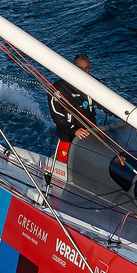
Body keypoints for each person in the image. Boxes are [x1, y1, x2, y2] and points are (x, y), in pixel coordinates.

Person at [47, 54, 99, 184]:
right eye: (81, 68)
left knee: (88, 170)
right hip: (67, 138)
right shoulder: (58, 89)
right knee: (64, 171)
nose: (85, 72)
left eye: (87, 68)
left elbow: (107, 104)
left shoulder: (95, 85)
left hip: (88, 137)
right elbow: (57, 117)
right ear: (73, 67)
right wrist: (74, 130)